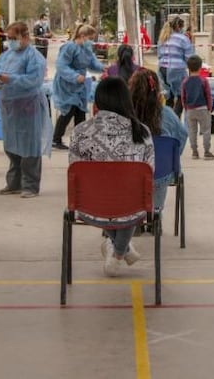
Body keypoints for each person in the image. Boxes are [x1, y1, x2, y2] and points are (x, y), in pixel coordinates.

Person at [69, 77, 154, 277]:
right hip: (132, 208)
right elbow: (149, 174)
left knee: (107, 194)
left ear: (97, 101)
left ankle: (117, 249)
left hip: (89, 208)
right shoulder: (141, 132)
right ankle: (119, 253)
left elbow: (74, 172)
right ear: (126, 100)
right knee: (125, 199)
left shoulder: (79, 131)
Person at [0, 21, 53, 198]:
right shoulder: (5, 56)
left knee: (29, 147)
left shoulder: (34, 57)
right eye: (8, 38)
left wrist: (10, 79)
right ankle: (14, 183)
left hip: (28, 107)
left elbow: (34, 80)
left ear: (25, 37)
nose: (10, 42)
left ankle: (31, 185)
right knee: (12, 145)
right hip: (9, 108)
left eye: (13, 38)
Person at [129, 68, 188, 225]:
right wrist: (169, 157)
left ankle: (134, 216)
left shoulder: (124, 117)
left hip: (129, 175)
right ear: (158, 91)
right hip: (162, 174)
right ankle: (155, 215)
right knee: (159, 173)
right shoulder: (168, 114)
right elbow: (181, 137)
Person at [51, 23, 105, 150]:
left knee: (80, 110)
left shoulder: (86, 49)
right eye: (90, 38)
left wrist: (103, 68)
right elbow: (61, 65)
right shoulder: (69, 47)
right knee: (68, 110)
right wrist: (74, 76)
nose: (91, 42)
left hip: (80, 84)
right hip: (67, 83)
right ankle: (56, 138)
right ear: (82, 36)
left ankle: (80, 140)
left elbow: (92, 62)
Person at [157, 16, 194, 117]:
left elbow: (159, 55)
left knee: (169, 97)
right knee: (181, 96)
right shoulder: (183, 39)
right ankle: (176, 121)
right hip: (177, 69)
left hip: (162, 69)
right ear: (180, 27)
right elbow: (189, 57)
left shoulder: (163, 37)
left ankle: (168, 122)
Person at [181, 55, 214, 160]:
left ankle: (194, 152)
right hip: (203, 108)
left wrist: (186, 108)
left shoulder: (185, 82)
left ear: (188, 68)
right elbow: (208, 95)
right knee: (206, 130)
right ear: (200, 67)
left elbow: (183, 97)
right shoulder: (203, 81)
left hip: (190, 110)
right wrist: (209, 107)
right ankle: (206, 151)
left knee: (192, 131)